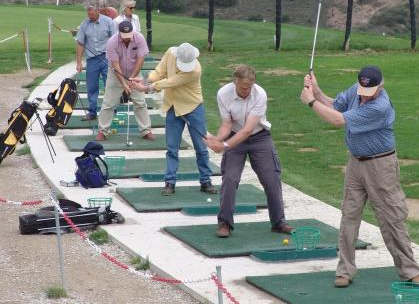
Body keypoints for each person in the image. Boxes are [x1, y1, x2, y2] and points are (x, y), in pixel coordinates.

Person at [300, 65, 419, 288]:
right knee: (349, 216)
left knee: (391, 218)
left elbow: (338, 120)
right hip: (355, 164)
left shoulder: (380, 106)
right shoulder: (357, 89)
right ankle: (345, 270)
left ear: (381, 85)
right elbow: (334, 106)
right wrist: (317, 91)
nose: (365, 95)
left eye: (370, 91)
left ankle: (409, 271)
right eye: (363, 89)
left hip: (381, 166)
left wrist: (311, 101)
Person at [204, 65, 294, 238]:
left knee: (271, 178)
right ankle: (225, 223)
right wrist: (218, 139)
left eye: (249, 87)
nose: (246, 91)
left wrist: (224, 146)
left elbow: (248, 129)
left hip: (259, 137)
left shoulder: (260, 94)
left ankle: (278, 222)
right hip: (234, 136)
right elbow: (227, 124)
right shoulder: (223, 94)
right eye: (243, 87)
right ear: (234, 81)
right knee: (230, 179)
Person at [129, 43, 217, 195]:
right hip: (173, 106)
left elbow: (170, 82)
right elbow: (159, 71)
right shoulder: (170, 53)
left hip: (193, 107)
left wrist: (146, 87)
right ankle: (170, 183)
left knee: (201, 148)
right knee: (172, 148)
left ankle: (205, 181)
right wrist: (145, 80)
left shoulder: (195, 70)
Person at [95, 21, 154, 141]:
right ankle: (102, 131)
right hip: (115, 73)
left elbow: (141, 59)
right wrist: (124, 84)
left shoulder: (139, 38)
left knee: (140, 102)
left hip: (134, 72)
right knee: (108, 103)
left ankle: (146, 130)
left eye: (129, 36)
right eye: (124, 36)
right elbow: (115, 65)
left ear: (132, 31)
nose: (127, 39)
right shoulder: (112, 42)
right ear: (119, 32)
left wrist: (132, 78)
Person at [76, 0, 116, 121]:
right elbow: (80, 43)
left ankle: (111, 110)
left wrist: (115, 59)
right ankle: (92, 112)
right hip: (92, 60)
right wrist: (78, 62)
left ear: (98, 10)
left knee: (109, 84)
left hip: (106, 57)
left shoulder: (108, 22)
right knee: (91, 86)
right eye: (87, 12)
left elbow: (115, 41)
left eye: (91, 12)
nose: (89, 14)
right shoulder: (84, 24)